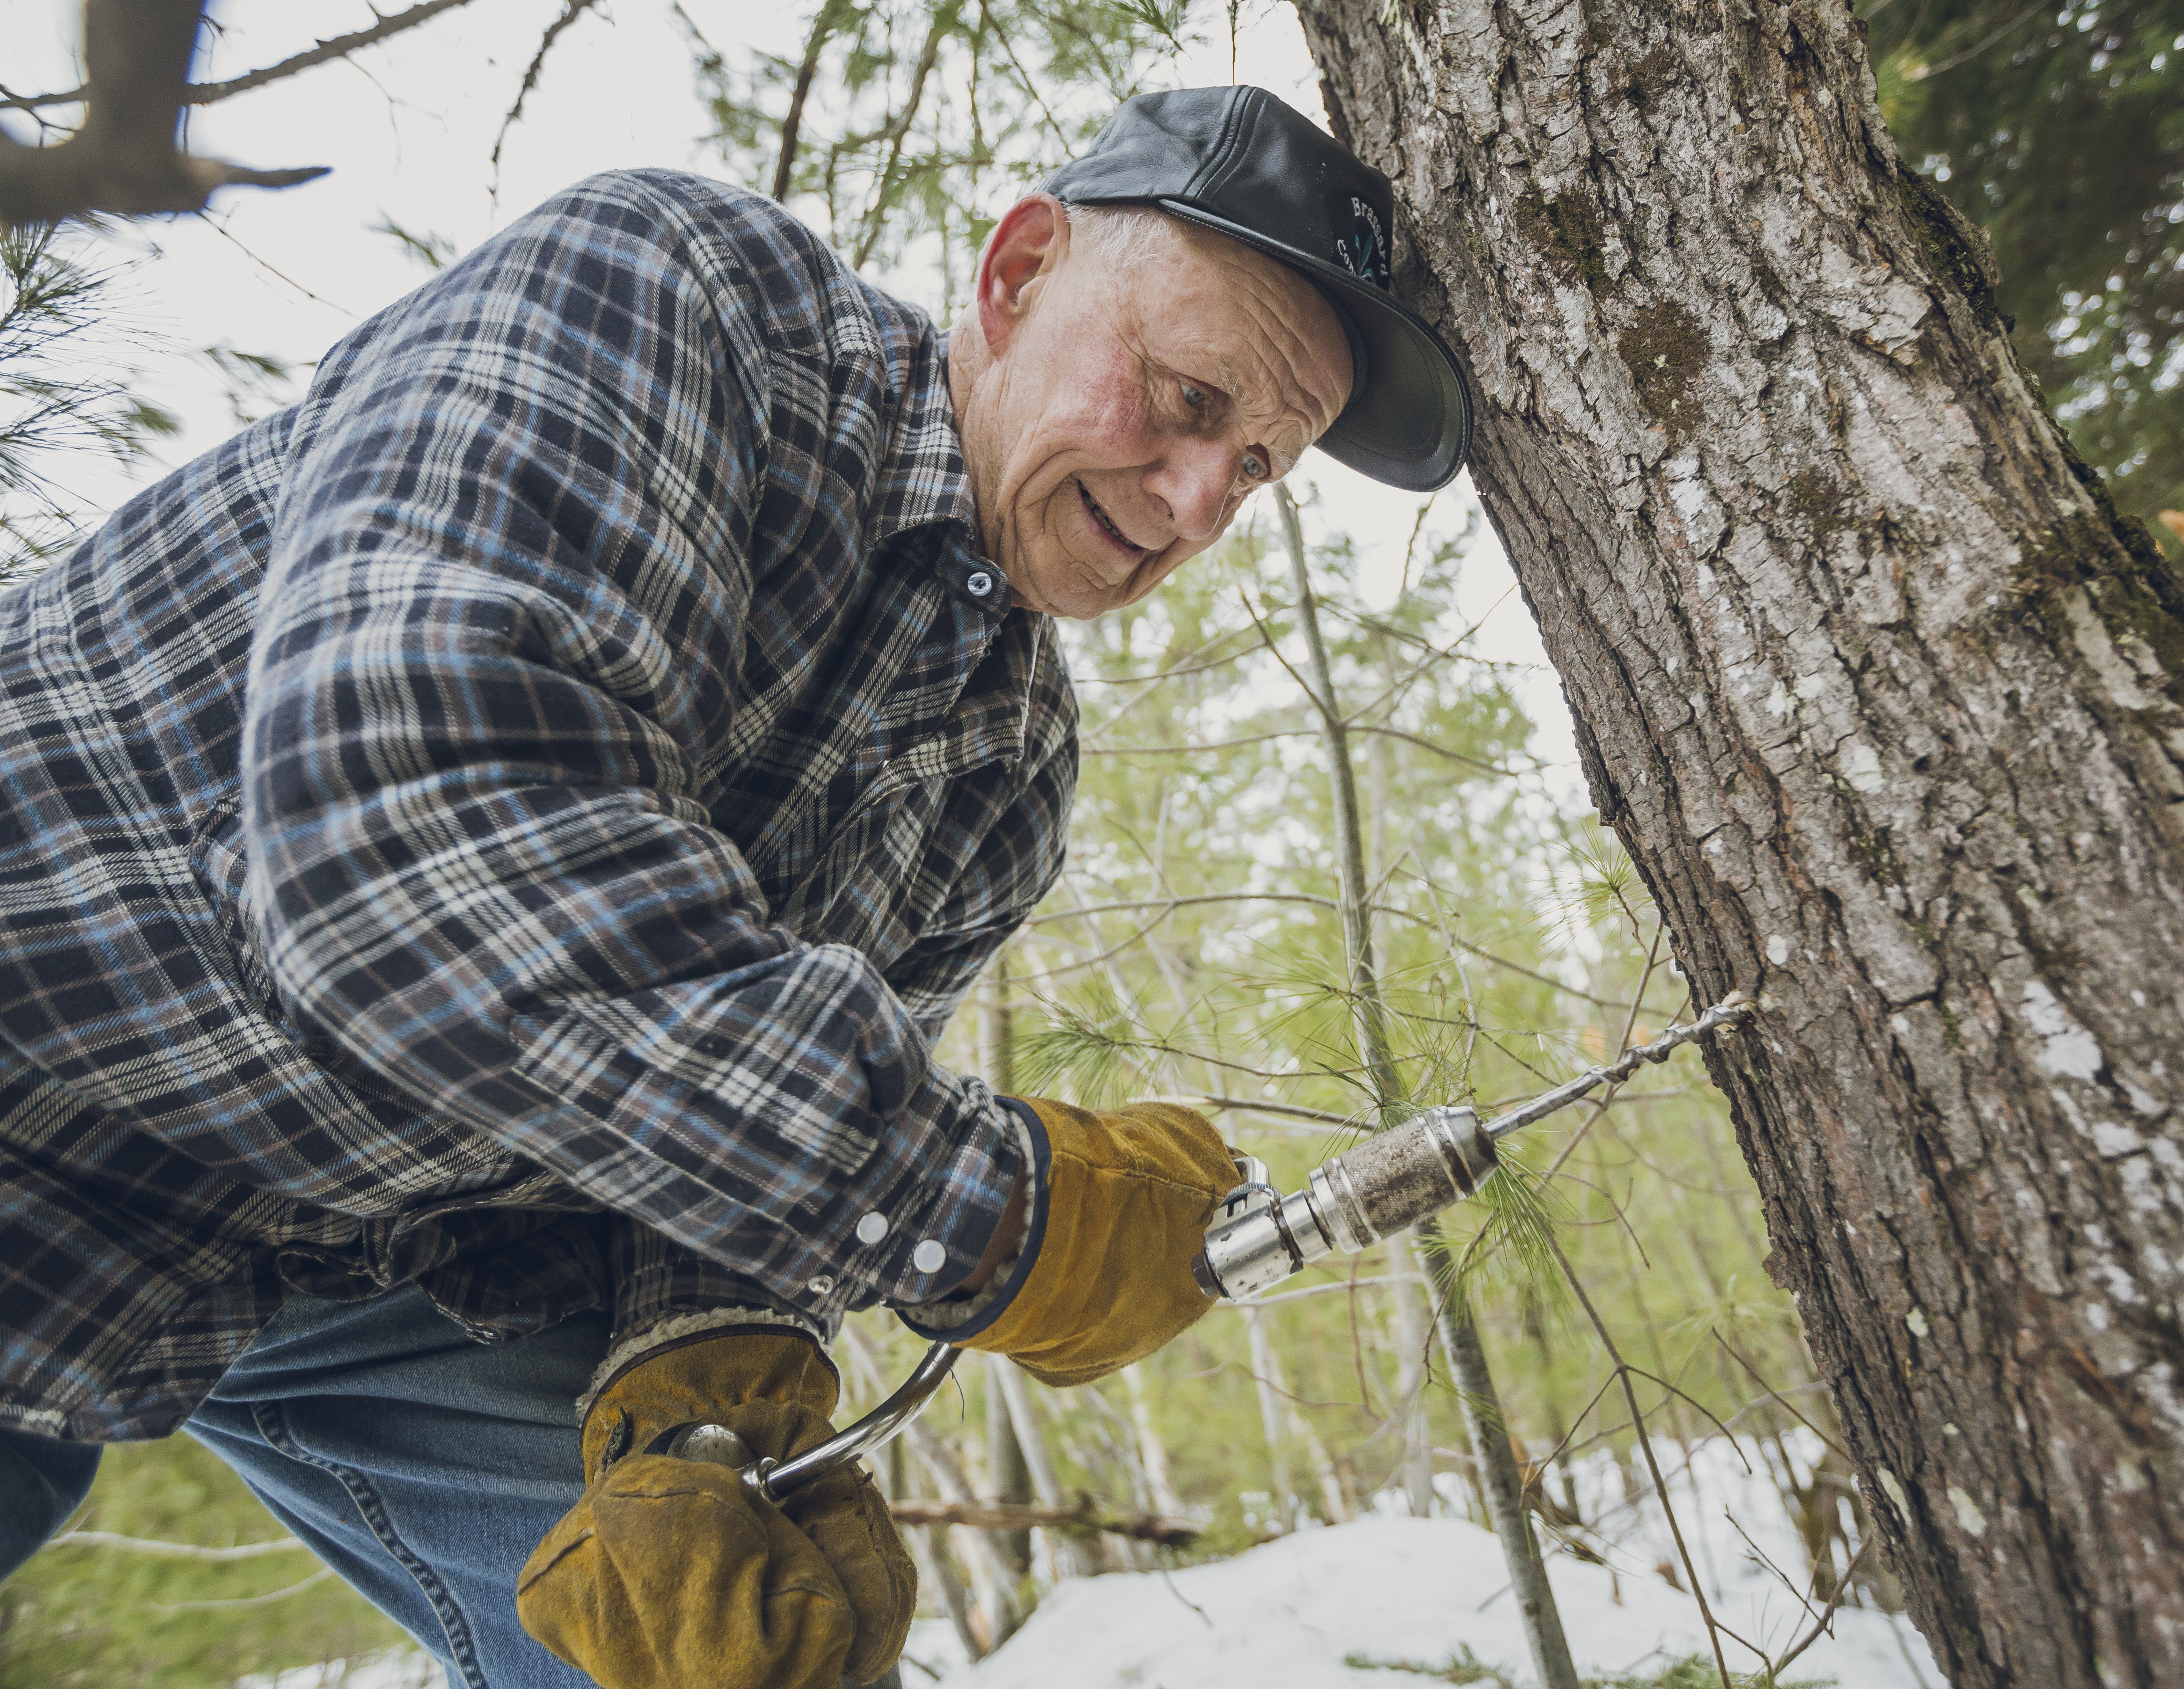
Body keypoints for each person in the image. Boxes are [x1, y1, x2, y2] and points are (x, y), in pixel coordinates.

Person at [0, 84, 1470, 1689]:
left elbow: (720, 1181)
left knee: (738, 1649)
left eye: (1256, 469)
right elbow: (393, 833)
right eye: (1188, 397)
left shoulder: (1007, 779)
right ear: (1019, 270)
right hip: (51, 1071)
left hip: (371, 1247)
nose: (1197, 504)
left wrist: (699, 1392)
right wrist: (986, 1214)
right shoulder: (675, 292)